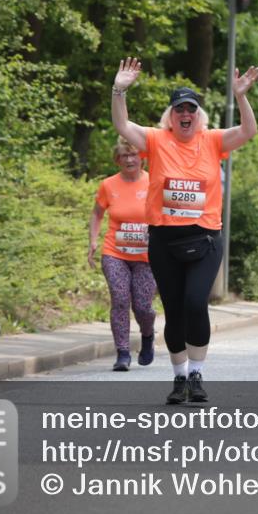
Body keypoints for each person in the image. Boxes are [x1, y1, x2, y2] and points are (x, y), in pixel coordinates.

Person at [111, 56, 258, 404]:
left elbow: (248, 131)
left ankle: (197, 373)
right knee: (175, 310)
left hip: (205, 238)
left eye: (191, 108)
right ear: (171, 115)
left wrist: (241, 97)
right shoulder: (156, 140)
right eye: (179, 108)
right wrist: (119, 90)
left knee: (196, 303)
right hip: (164, 239)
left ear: (198, 115)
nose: (185, 114)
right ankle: (179, 378)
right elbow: (122, 126)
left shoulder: (212, 141)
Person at [88, 139, 157, 371]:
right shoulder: (108, 185)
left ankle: (147, 336)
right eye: (123, 156)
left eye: (133, 154)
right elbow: (97, 213)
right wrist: (93, 241)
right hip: (115, 252)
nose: (129, 159)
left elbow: (167, 213)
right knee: (119, 299)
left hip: (147, 256)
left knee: (142, 306)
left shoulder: (154, 181)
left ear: (142, 158)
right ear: (117, 160)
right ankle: (123, 353)